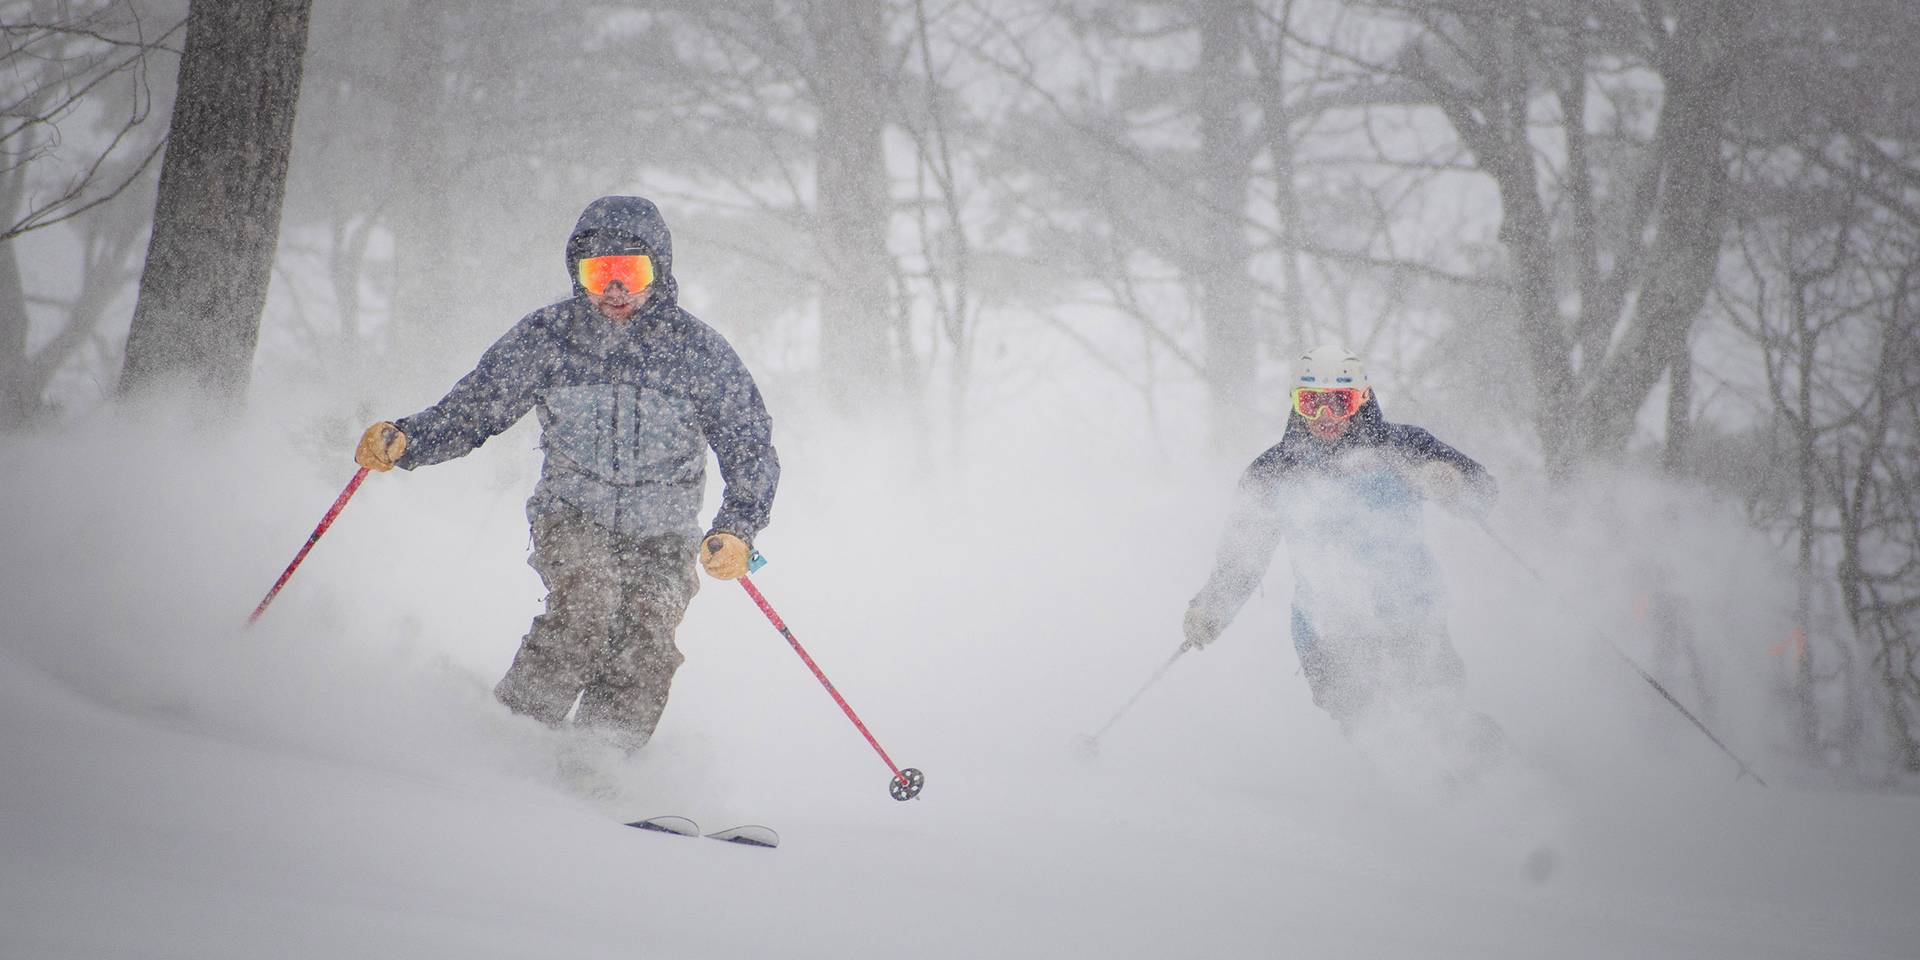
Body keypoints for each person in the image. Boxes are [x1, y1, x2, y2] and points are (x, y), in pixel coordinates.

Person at [353, 195, 779, 752]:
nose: (616, 290)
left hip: (665, 532)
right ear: (578, 276)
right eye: (599, 273)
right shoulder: (550, 338)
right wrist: (409, 439)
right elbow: (477, 408)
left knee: (647, 636)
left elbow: (749, 445)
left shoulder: (697, 352)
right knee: (589, 603)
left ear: (660, 273)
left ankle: (600, 763)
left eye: (631, 272)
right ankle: (512, 740)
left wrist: (738, 528)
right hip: (574, 515)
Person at [1182, 343, 1503, 777]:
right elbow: (1243, 557)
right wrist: (1210, 610)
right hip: (1327, 629)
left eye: (1340, 401)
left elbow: (1482, 492)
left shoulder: (1404, 447)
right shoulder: (1274, 471)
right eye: (1311, 403)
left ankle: (1507, 783)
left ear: (1362, 399)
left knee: (1444, 716)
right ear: (1296, 402)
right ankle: (1434, 807)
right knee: (1377, 727)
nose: (1326, 416)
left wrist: (1452, 483)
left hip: (1412, 615)